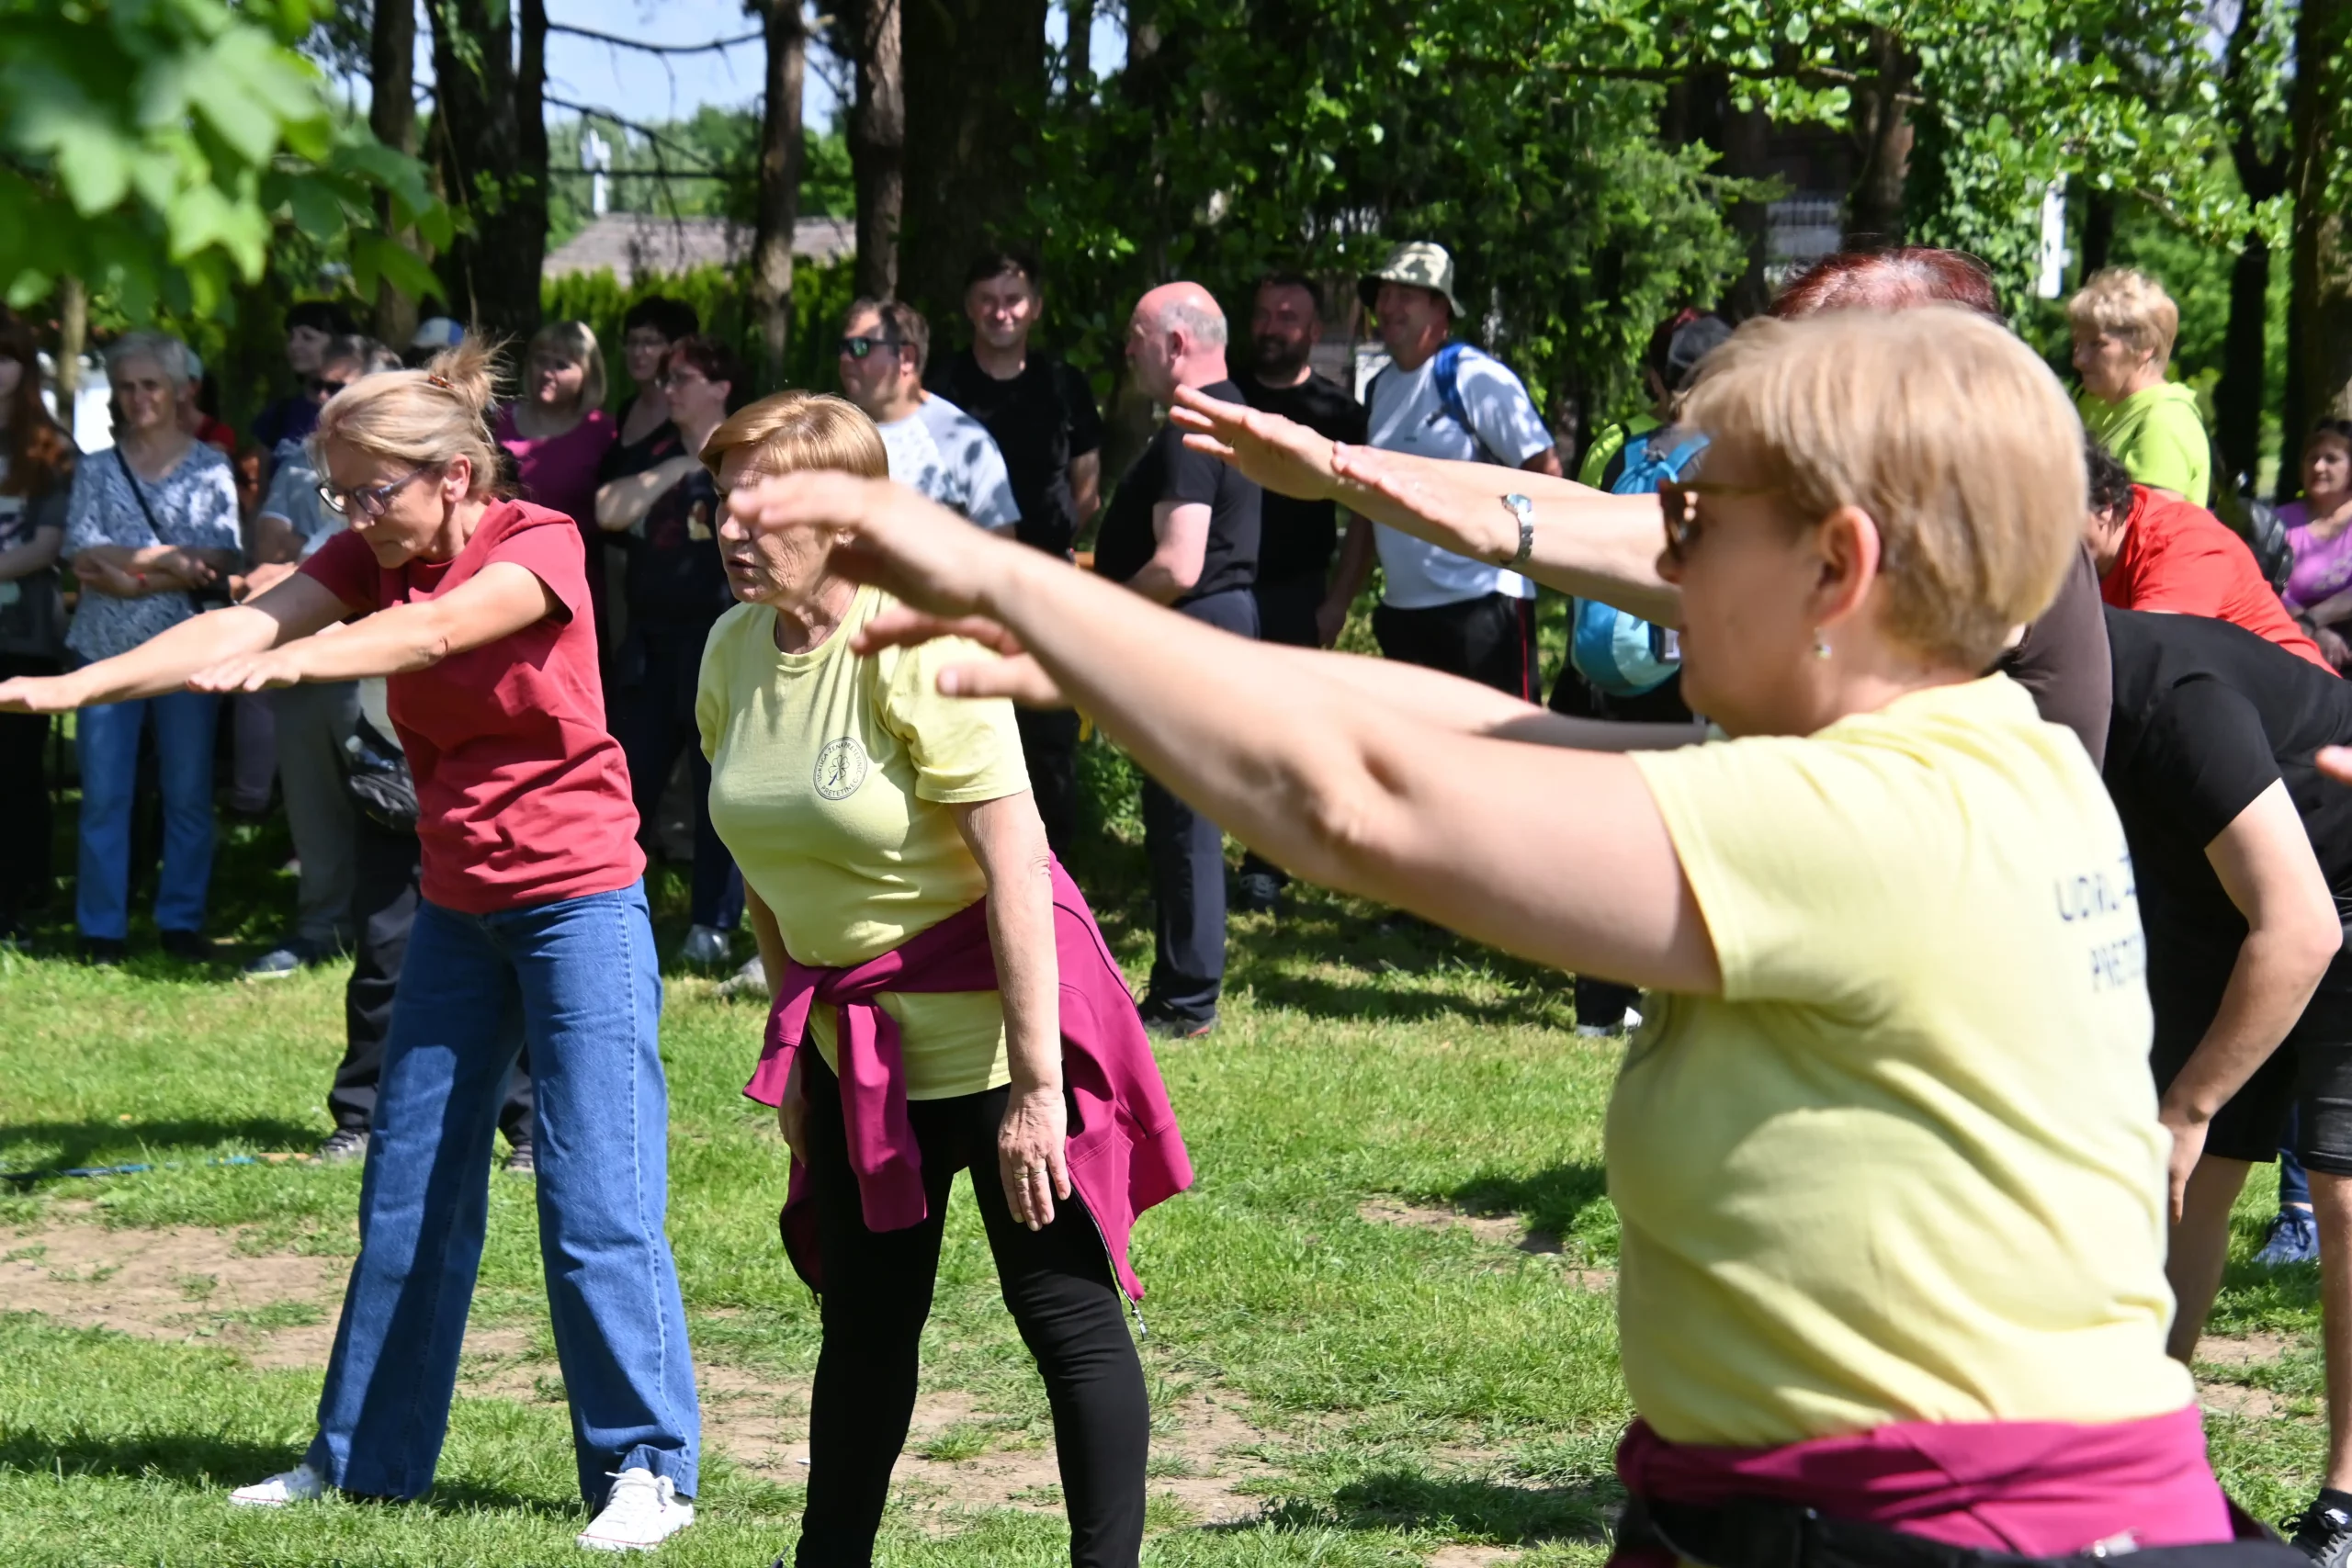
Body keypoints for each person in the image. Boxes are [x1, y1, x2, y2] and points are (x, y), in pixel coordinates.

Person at [738, 305, 2251, 1560]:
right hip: (1836, 1511)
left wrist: (998, 573)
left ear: (1836, 569)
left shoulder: (1872, 824)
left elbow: (1364, 802)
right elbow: (1462, 721)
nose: (1659, 561)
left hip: (1937, 1536)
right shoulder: (1976, 752)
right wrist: (1074, 654)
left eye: (1686, 518)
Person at [0, 340, 702, 1550]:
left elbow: (429, 640)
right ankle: (365, 1458)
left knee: (596, 1192)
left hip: (579, 898)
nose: (354, 513)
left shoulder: (538, 542)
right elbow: (249, 619)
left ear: (457, 473)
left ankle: (645, 1466)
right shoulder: (368, 552)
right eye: (342, 490)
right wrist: (80, 689)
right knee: (408, 1187)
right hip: (454, 905)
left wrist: (289, 654)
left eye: (374, 488)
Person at [693, 389, 1188, 1568]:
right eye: (722, 502)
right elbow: (768, 875)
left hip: (991, 1036)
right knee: (864, 1330)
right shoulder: (731, 651)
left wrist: (1034, 1091)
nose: (730, 528)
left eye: (760, 505)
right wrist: (795, 1048)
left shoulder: (918, 640)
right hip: (860, 1055)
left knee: (1062, 1315)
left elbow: (1016, 863)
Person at [1167, 246, 2120, 767]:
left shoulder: (1936, 559)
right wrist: (1339, 465)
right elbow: (1570, 507)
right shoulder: (1920, 530)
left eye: (1825, 387)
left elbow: (1607, 535)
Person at [2096, 606, 2352, 1564]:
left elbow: (2305, 930)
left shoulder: (2172, 697)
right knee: (2185, 1184)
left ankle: (2344, 1504)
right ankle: (2132, 1461)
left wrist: (2188, 1105)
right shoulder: (2024, 692)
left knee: (2340, 1185)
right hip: (2217, 897)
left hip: (2336, 884)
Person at [1094, 283, 1262, 1039]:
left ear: (1175, 343)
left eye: (1137, 334)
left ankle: (1188, 998)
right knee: (1175, 816)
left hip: (1192, 631)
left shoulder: (1191, 428)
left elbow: (1179, 563)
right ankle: (1175, 988)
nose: (1127, 348)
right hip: (1210, 631)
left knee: (1184, 816)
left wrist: (1098, 611)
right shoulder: (1225, 415)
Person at [61, 333, 242, 964]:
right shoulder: (96, 467)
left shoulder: (211, 466)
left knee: (189, 792)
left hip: (189, 651)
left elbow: (219, 558)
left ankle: (180, 920)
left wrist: (132, 575)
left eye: (150, 385)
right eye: (126, 386)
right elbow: (84, 554)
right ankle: (100, 927)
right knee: (106, 793)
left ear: (180, 391)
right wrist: (173, 561)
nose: (137, 398)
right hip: (105, 651)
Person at [925, 251, 1107, 857]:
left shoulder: (1064, 384)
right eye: (989, 298)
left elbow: (1087, 485)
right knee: (957, 719)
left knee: (1047, 727)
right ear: (968, 306)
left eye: (1014, 298)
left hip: (1046, 578)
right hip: (961, 581)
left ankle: (1054, 872)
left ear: (1036, 307)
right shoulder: (942, 385)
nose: (1001, 311)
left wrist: (1050, 544)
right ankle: (966, 868)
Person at [243, 335, 402, 980]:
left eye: (343, 388)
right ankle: (320, 926)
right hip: (306, 654)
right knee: (311, 803)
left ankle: (399, 933)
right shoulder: (297, 467)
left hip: (387, 658)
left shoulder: (414, 475)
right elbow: (265, 561)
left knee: (398, 803)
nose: (325, 400)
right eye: (318, 389)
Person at [594, 333, 747, 969]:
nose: (667, 389)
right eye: (664, 379)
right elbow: (607, 509)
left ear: (720, 388)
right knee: (628, 785)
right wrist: (679, 469)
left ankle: (713, 922)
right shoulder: (651, 450)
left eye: (681, 378)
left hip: (724, 643)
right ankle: (608, 909)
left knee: (721, 790)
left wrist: (710, 466)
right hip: (652, 645)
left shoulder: (750, 451)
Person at [1357, 240, 1561, 698]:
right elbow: (1366, 506)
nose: (1387, 307)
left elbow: (1547, 474)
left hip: (1484, 611)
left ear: (1440, 309)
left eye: (1404, 295)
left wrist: (1519, 553)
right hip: (1405, 614)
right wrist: (1338, 602)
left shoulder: (1476, 379)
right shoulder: (1378, 390)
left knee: (1507, 755)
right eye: (1382, 295)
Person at [1229, 270, 1369, 916]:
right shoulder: (1228, 393)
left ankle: (1266, 865)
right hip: (1224, 587)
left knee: (1286, 733)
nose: (1272, 326)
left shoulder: (1341, 415)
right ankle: (1205, 851)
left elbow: (1365, 519)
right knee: (1224, 724)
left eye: (1288, 316)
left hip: (1296, 591)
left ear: (1314, 332)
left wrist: (1339, 598)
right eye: (1263, 313)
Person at [2083, 435, 2331, 670]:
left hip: (2298, 706)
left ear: (2105, 505)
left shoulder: (2178, 540)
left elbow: (2145, 659)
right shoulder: (2086, 559)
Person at [0, 313, 75, 944]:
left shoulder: (50, 445)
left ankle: (21, 898)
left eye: (6, 356)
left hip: (22, 634)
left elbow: (48, 544)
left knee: (16, 773)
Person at [836, 298, 1018, 532]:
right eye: (843, 348)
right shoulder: (832, 434)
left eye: (860, 347)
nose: (845, 359)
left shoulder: (962, 440)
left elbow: (1000, 543)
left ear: (906, 358)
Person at [498, 319, 620, 656]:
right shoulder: (498, 421)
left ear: (588, 375)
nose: (547, 371)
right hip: (495, 579)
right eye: (541, 359)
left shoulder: (603, 434)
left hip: (570, 592)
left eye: (561, 364)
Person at [2070, 266, 2211, 507]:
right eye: (2077, 343)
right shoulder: (2088, 401)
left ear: (2147, 347)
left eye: (2097, 344)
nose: (2078, 359)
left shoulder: (2166, 420)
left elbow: (2151, 534)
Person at [2282, 421, 2352, 671]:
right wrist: (2311, 632)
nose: (2318, 467)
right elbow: (2264, 584)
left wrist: (2313, 621)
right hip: (2289, 637)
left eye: (2331, 459)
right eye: (2312, 458)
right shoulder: (2278, 523)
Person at [253, 299, 361, 457]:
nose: (294, 345)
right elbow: (266, 481)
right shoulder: (277, 416)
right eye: (291, 337)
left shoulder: (365, 410)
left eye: (307, 337)